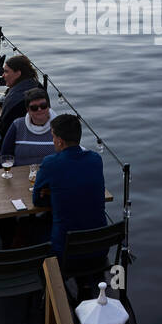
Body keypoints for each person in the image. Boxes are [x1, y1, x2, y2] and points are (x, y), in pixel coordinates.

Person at [30, 113, 106, 266]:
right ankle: (85, 284)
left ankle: (47, 281)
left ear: (60, 141)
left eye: (53, 137)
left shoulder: (50, 163)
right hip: (100, 245)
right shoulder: (95, 159)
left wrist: (53, 195)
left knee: (29, 227)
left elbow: (36, 200)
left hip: (65, 251)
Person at [0, 86, 56, 167]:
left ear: (49, 106)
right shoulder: (17, 125)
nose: (39, 110)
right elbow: (5, 155)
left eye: (43, 106)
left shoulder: (59, 126)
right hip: (20, 176)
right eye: (34, 108)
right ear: (28, 110)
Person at [0, 54, 41, 130]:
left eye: (6, 72)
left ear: (18, 74)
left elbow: (3, 129)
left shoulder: (13, 98)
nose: (3, 75)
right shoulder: (38, 86)